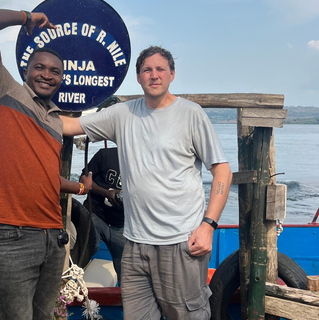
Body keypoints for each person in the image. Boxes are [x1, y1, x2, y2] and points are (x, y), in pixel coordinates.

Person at [61, 46, 232, 319]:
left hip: (181, 243)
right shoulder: (122, 114)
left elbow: (222, 171)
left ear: (172, 74)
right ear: (139, 78)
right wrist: (31, 106)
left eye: (160, 69)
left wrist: (209, 225)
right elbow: (70, 126)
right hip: (135, 246)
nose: (154, 75)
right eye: (147, 70)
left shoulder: (191, 114)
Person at [0, 9, 92, 320]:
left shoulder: (55, 120)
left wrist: (81, 187)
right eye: (39, 67)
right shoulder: (4, 91)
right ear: (26, 71)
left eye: (55, 71)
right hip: (12, 234)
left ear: (61, 79)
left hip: (53, 235)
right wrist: (25, 17)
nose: (47, 75)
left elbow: (46, 177)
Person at [81, 147, 126, 283]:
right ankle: (68, 290)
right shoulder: (105, 155)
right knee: (85, 251)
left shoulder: (143, 165)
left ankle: (124, 300)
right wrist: (105, 192)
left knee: (126, 269)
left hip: (121, 224)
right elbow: (83, 178)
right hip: (95, 214)